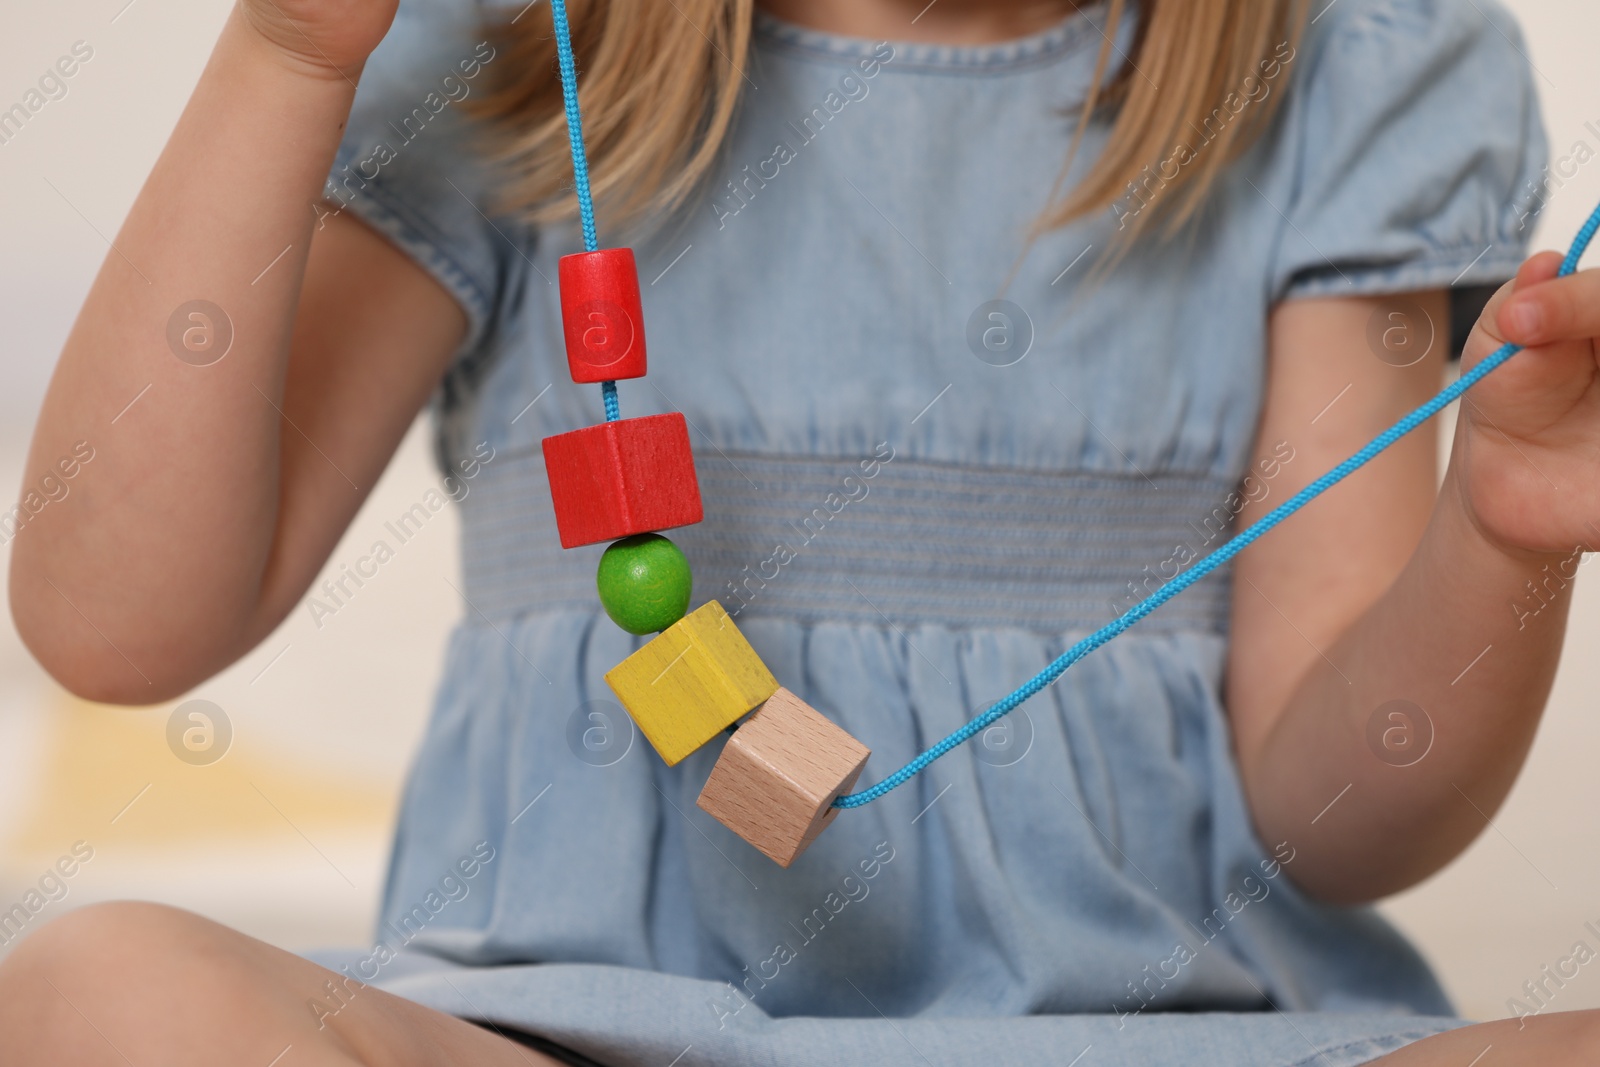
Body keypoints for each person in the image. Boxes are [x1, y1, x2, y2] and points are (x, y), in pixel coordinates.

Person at [4, 0, 1598, 1062]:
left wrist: (1503, 532)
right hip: (568, 1030)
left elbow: (1345, 813)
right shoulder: (527, 49)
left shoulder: (1351, 57)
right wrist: (289, 52)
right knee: (106, 998)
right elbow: (116, 624)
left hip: (1162, 1034)